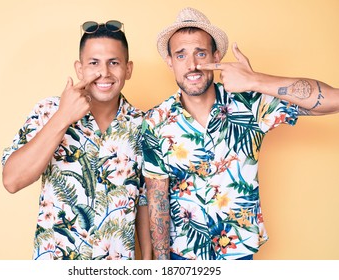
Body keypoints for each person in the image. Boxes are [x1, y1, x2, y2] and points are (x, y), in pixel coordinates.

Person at [141, 7, 339, 260]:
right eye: (181, 56)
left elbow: (333, 100)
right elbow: (157, 198)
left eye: (201, 54)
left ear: (217, 55)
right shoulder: (156, 121)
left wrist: (255, 80)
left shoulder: (250, 105)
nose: (192, 65)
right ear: (169, 61)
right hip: (183, 254)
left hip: (239, 253)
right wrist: (162, 266)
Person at [2, 20, 152, 260]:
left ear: (128, 69)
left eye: (114, 62)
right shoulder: (48, 111)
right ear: (80, 69)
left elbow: (145, 202)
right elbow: (12, 180)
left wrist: (148, 264)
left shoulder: (144, 125)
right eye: (94, 63)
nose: (104, 72)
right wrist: (63, 117)